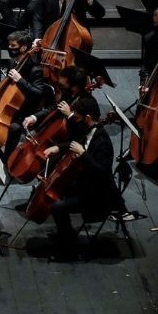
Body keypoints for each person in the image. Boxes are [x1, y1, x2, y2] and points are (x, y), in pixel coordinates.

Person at [44, 94, 126, 259]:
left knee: (57, 206)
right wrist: (58, 148)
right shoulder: (89, 129)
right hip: (86, 185)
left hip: (98, 195)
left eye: (78, 117)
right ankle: (65, 234)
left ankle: (69, 248)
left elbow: (102, 173)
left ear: (88, 118)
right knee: (55, 191)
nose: (75, 120)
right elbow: (77, 143)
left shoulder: (103, 142)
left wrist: (83, 155)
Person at [0, 31, 53, 171]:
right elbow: (5, 84)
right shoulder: (12, 62)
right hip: (7, 105)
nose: (9, 47)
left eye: (13, 45)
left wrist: (20, 80)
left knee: (14, 129)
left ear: (23, 48)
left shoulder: (35, 69)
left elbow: (39, 94)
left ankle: (5, 160)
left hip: (25, 110)